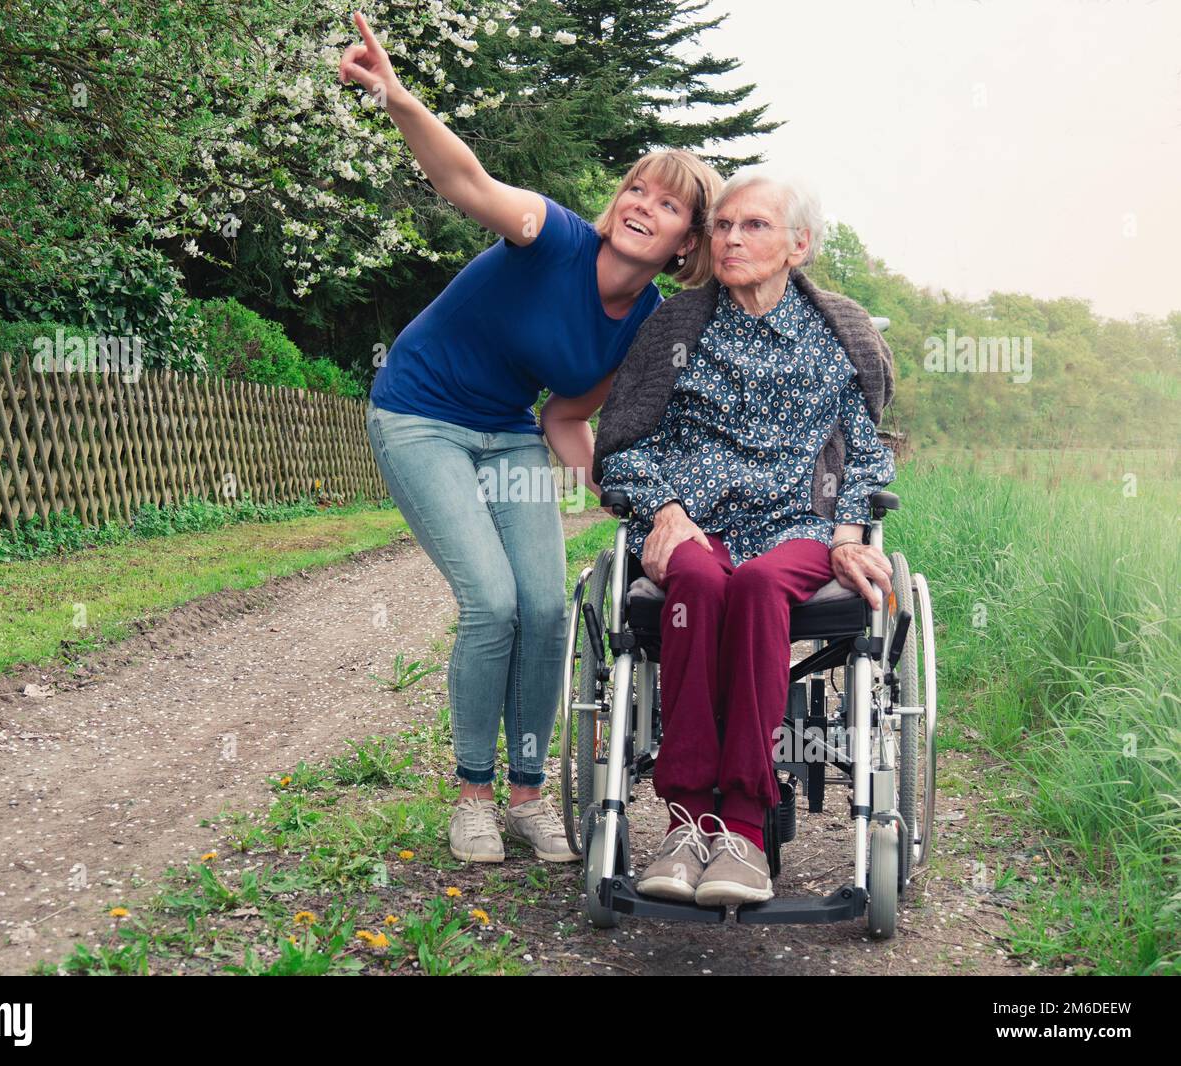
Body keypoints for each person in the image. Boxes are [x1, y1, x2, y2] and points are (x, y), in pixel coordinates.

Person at [338, 11, 724, 863]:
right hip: (421, 414)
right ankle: (472, 795)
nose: (641, 206)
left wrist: (621, 495)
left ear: (684, 243)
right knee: (494, 601)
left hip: (508, 431)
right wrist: (397, 97)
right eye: (636, 188)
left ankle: (526, 796)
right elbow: (464, 180)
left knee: (548, 608)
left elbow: (564, 417)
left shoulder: (645, 324)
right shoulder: (546, 234)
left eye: (666, 206)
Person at [594, 169, 896, 904]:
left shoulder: (837, 333)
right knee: (697, 581)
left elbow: (868, 447)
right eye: (723, 225)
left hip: (797, 525)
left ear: (799, 244)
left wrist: (852, 530)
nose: (731, 238)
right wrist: (663, 508)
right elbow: (624, 441)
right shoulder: (677, 329)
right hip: (695, 523)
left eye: (753, 226)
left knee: (759, 584)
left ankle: (745, 832)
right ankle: (686, 820)